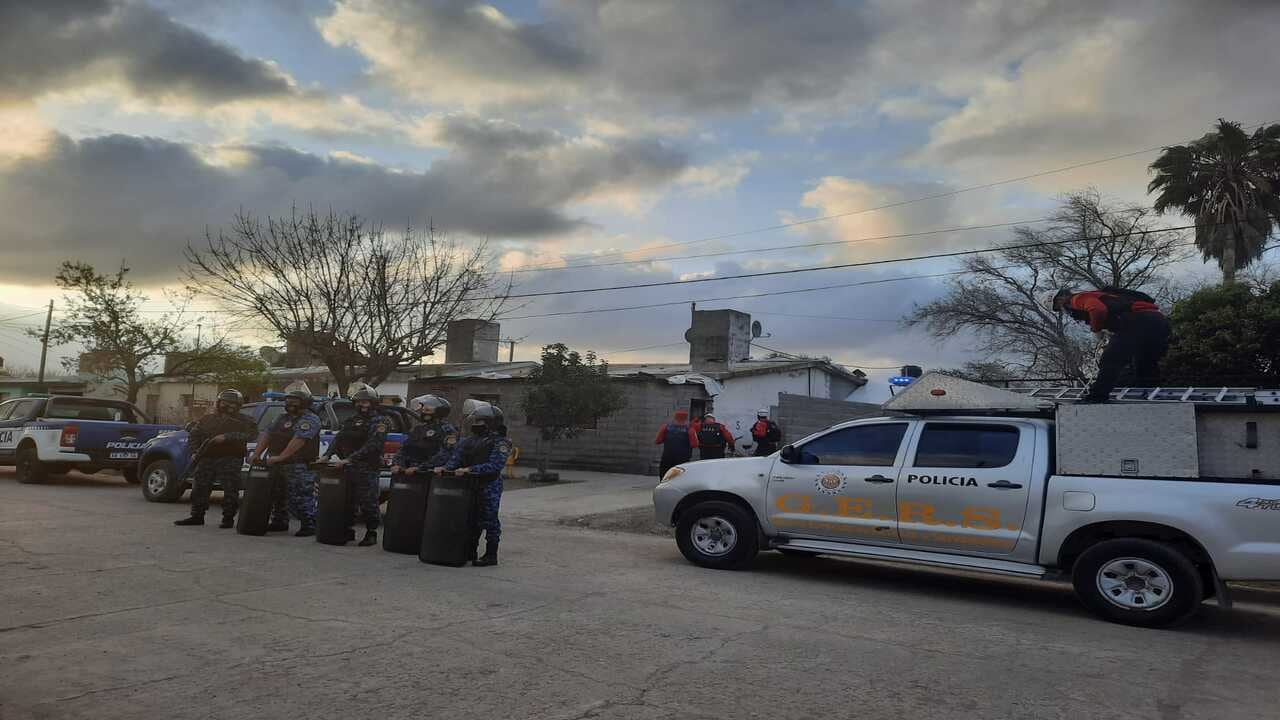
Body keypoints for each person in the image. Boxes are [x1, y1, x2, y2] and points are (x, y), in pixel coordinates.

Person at [1052, 287, 1172, 402]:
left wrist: (1096, 329)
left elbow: (1097, 309)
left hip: (1137, 321)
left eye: (1057, 307)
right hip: (1158, 321)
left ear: (1059, 299)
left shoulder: (1077, 299)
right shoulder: (1107, 295)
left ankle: (1096, 396)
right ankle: (1150, 393)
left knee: (1110, 360)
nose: (1062, 310)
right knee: (1144, 361)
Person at [436, 403, 512, 566]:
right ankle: (470, 550)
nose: (477, 424)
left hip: (489, 484)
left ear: (491, 422)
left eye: (481, 421)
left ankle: (491, 555)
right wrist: (445, 469)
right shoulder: (469, 441)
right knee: (470, 518)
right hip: (468, 485)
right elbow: (456, 458)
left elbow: (495, 465)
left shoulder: (501, 442)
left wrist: (470, 469)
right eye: (476, 420)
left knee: (489, 519)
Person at [174, 389, 257, 528]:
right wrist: (194, 452)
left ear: (238, 405)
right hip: (207, 457)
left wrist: (227, 437)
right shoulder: (207, 419)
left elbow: (251, 435)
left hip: (231, 458)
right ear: (219, 403)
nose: (227, 406)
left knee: (230, 489)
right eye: (224, 402)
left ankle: (228, 518)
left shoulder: (245, 420)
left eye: (232, 403)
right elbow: (194, 435)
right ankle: (197, 516)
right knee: (200, 487)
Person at [248, 388, 321, 537]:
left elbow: (299, 440)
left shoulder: (310, 419)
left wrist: (281, 457)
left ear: (304, 403)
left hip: (298, 464)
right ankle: (279, 521)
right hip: (275, 463)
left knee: (300, 495)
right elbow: (267, 434)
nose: (290, 403)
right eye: (288, 400)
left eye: (295, 400)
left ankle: (309, 523)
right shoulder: (281, 418)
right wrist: (256, 454)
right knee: (277, 494)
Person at [326, 386, 388, 547]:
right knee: (347, 501)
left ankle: (371, 532)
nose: (363, 405)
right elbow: (339, 438)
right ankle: (347, 530)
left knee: (368, 502)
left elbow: (373, 445)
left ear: (373, 403)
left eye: (366, 401)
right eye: (359, 402)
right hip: (348, 468)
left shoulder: (380, 421)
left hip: (367, 468)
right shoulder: (351, 420)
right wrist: (326, 455)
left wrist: (350, 459)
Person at [392, 395, 458, 476]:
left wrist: (421, 467)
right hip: (409, 471)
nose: (423, 413)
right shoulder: (418, 429)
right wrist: (398, 464)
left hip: (430, 473)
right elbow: (404, 448)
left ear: (439, 412)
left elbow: (446, 453)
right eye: (423, 410)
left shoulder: (447, 430)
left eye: (427, 410)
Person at [655, 409, 698, 479]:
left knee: (665, 474)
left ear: (675, 417)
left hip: (667, 456)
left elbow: (657, 441)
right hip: (683, 458)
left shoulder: (666, 427)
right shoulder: (690, 429)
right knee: (680, 476)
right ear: (686, 418)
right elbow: (695, 444)